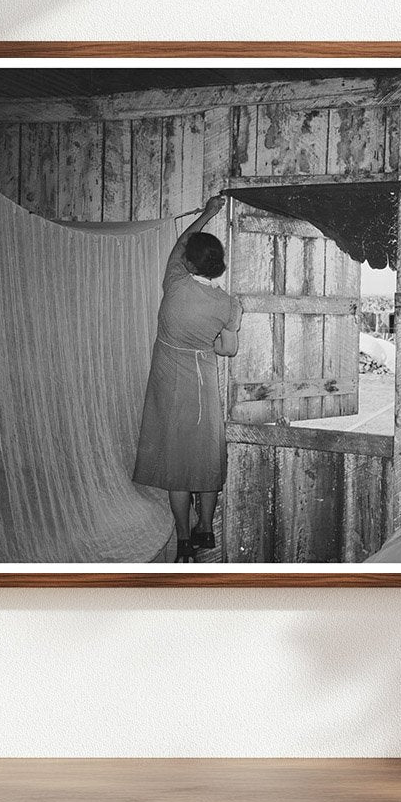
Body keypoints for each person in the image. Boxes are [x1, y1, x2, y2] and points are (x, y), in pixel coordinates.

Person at [132, 195, 244, 562]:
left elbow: (180, 244)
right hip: (202, 384)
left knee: (178, 464)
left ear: (190, 262)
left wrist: (208, 213)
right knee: (205, 458)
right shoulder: (229, 304)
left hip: (167, 381)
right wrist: (208, 339)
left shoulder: (175, 282)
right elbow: (228, 351)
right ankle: (206, 528)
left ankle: (182, 539)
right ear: (219, 266)